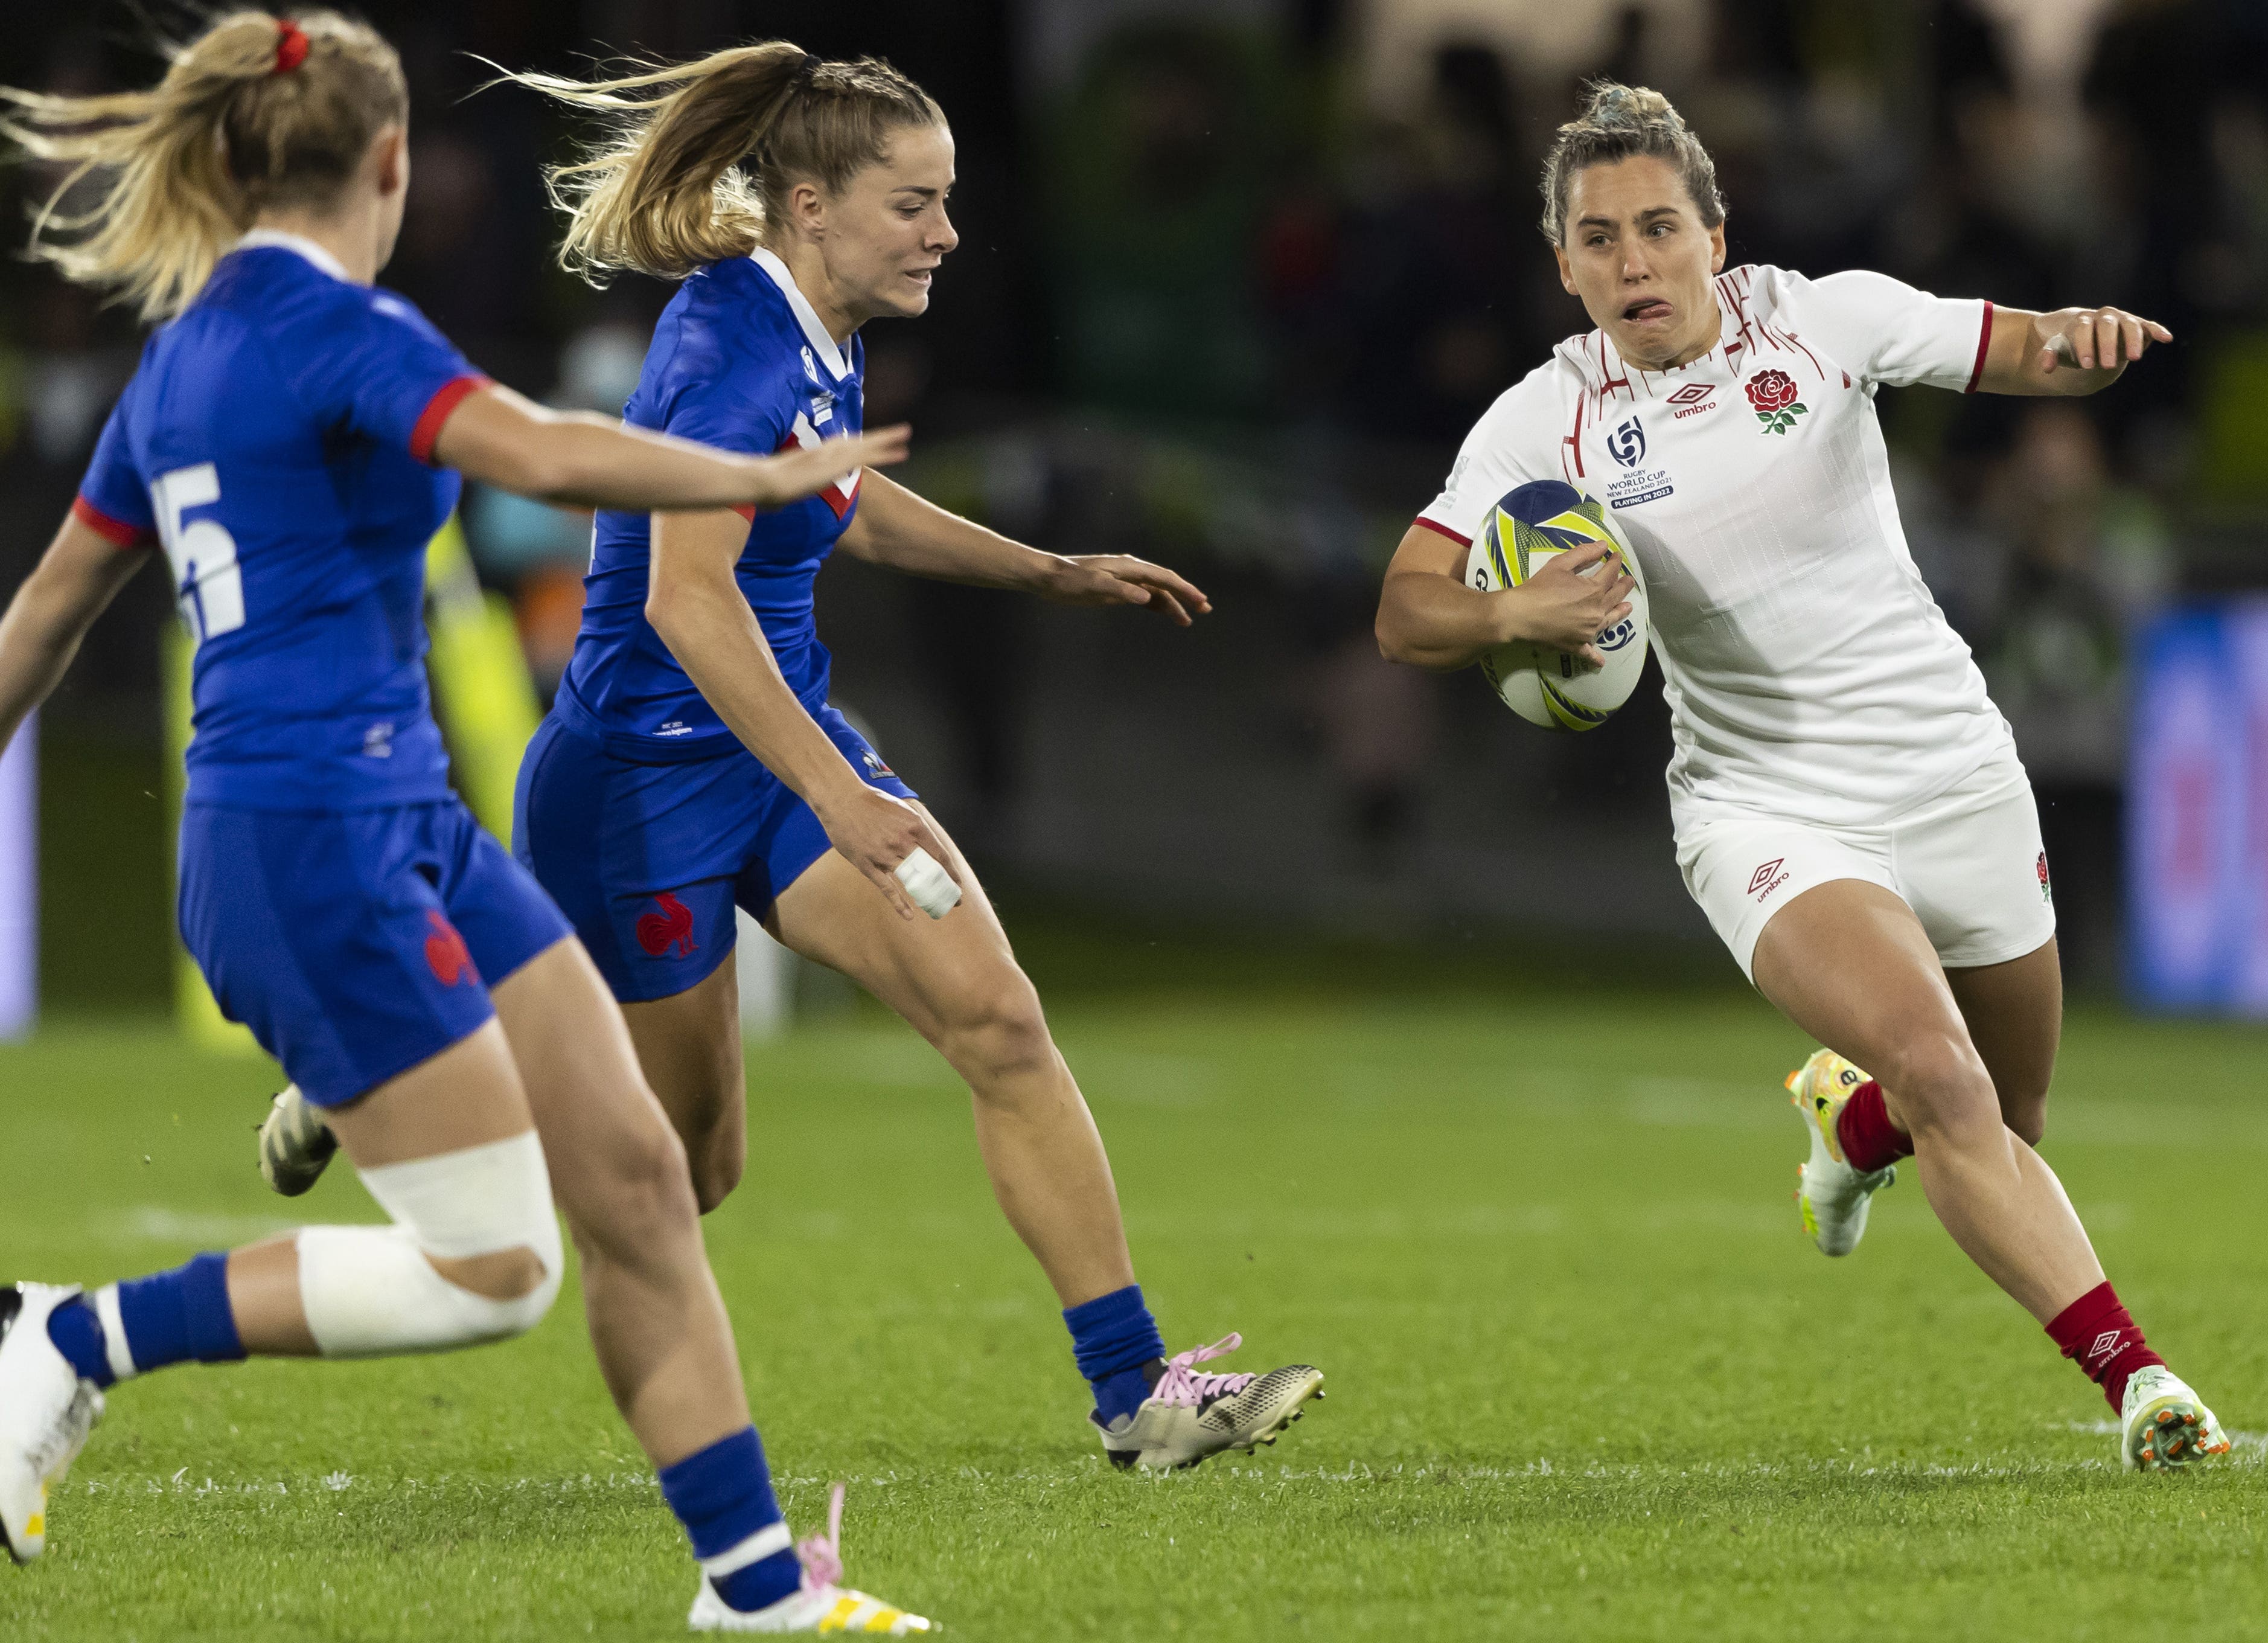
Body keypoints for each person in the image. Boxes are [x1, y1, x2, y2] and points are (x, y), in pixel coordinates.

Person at [263, 43, 1326, 1472]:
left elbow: (846, 499)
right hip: (637, 792)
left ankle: (1136, 1397)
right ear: (813, 205)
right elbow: (679, 599)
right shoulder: (727, 345)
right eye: (916, 204)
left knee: (999, 1023)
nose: (946, 232)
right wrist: (842, 791)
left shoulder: (817, 324)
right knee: (691, 1170)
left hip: (778, 758)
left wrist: (1047, 570)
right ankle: (380, 1049)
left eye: (946, 201)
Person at [0, 14, 929, 1630]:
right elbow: (544, 450)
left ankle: (755, 1595)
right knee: (496, 1267)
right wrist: (763, 479)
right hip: (310, 843)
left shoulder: (187, 354)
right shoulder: (335, 332)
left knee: (641, 1174)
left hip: (391, 819)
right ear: (386, 162)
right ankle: (71, 1338)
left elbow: (39, 624)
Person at [1372, 82, 2230, 1472]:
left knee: (2004, 1116)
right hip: (1765, 806)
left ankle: (1854, 1120)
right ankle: (2141, 1384)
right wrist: (1511, 616)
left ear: (1718, 234)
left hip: (1952, 762)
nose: (1632, 263)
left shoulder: (1821, 321)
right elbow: (1407, 608)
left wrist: (2084, 342)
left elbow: (2006, 348)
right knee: (1949, 1078)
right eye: (1598, 240)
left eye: (1658, 227)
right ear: (1563, 265)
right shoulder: (1549, 418)